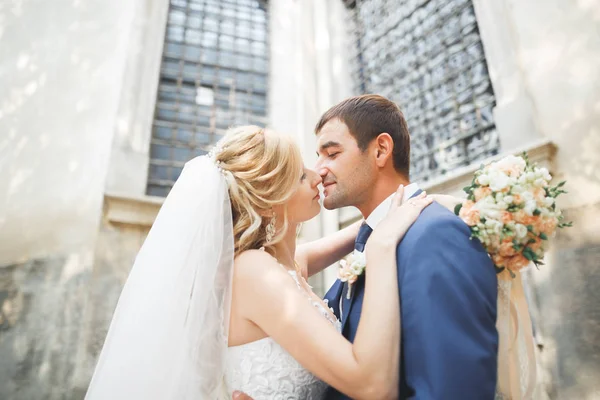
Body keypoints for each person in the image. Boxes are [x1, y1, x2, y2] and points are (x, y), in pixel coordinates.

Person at [85, 125, 433, 400]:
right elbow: (373, 386)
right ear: (268, 203)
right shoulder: (254, 272)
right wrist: (383, 246)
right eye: (300, 176)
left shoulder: (280, 265)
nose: (318, 176)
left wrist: (410, 205)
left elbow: (339, 240)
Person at [314, 95, 500, 399]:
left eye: (332, 153)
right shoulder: (372, 237)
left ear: (381, 150)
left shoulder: (436, 234)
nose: (318, 171)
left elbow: (451, 389)